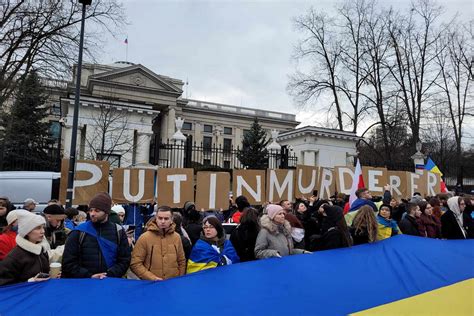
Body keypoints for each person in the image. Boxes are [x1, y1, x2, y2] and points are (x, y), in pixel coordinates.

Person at [61, 192, 131, 279]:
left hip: (110, 282)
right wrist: (89, 276)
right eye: (91, 210)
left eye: (97, 211)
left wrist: (109, 275)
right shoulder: (78, 232)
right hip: (84, 284)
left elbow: (124, 260)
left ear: (106, 212)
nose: (92, 214)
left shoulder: (119, 231)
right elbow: (68, 262)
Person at [130, 206, 186, 281]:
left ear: (171, 220)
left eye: (166, 219)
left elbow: (181, 261)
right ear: (156, 218)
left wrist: (179, 278)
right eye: (160, 218)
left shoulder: (177, 237)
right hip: (152, 285)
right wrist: (151, 278)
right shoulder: (144, 238)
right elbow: (135, 263)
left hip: (173, 284)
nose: (163, 221)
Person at [0, 210, 51, 285]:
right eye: (38, 228)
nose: (43, 231)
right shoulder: (14, 257)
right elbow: (4, 285)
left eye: (43, 227)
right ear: (27, 231)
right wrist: (30, 282)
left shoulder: (42, 250)